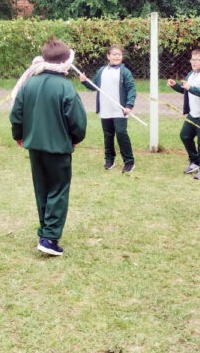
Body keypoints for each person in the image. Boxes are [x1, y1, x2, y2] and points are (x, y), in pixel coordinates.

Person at [10, 37, 87, 256]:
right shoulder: (66, 88)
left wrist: (19, 135)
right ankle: (50, 238)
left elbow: (16, 114)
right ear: (65, 63)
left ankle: (46, 230)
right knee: (58, 190)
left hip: (34, 146)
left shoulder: (29, 83)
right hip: (58, 148)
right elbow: (78, 122)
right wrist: (74, 138)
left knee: (42, 189)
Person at [79, 44, 136, 173]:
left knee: (121, 133)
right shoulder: (102, 71)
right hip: (105, 109)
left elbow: (131, 89)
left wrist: (129, 105)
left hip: (120, 109)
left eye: (119, 54)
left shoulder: (125, 72)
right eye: (114, 54)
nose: (117, 56)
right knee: (108, 135)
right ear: (108, 56)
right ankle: (109, 160)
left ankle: (129, 162)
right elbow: (94, 86)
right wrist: (84, 81)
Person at [167, 49, 200, 180]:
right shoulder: (191, 74)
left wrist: (190, 88)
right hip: (192, 114)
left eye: (197, 60)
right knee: (185, 136)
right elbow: (186, 91)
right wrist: (175, 85)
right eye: (192, 59)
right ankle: (195, 161)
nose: (193, 62)